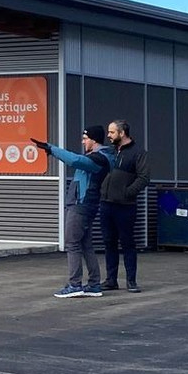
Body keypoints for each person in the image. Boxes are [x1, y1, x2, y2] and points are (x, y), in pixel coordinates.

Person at [32, 126, 114, 299]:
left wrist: (52, 149)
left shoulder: (98, 159)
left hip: (81, 205)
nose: (83, 142)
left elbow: (75, 160)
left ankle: (75, 284)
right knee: (85, 245)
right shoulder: (101, 158)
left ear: (94, 140)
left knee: (72, 244)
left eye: (85, 138)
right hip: (85, 205)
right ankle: (93, 284)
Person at [98, 120, 149, 293]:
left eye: (112, 132)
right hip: (106, 203)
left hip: (125, 206)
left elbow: (143, 178)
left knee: (127, 243)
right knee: (108, 242)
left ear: (122, 133)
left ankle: (131, 281)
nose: (109, 136)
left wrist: (127, 192)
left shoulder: (138, 153)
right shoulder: (110, 152)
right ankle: (111, 280)